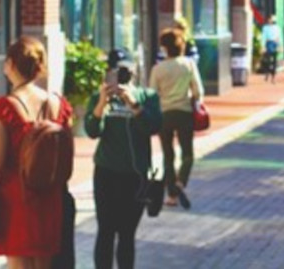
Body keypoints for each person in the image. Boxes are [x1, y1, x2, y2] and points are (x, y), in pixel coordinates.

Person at [0, 36, 74, 268]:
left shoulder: (3, 108)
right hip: (51, 198)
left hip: (17, 200)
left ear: (10, 64)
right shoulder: (59, 104)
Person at [85, 49, 162, 269]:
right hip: (106, 172)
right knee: (106, 230)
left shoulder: (147, 97)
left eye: (126, 70)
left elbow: (154, 126)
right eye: (116, 70)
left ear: (135, 71)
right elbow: (92, 130)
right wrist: (102, 103)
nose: (121, 75)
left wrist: (134, 105)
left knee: (127, 233)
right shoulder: (99, 98)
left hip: (135, 174)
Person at [149, 28, 204, 209]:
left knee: (168, 155)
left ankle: (171, 195)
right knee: (187, 153)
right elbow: (198, 91)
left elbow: (152, 94)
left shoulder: (157, 69)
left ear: (164, 47)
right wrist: (196, 101)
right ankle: (181, 182)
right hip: (184, 112)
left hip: (164, 114)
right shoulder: (188, 64)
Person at [261, 15, 282, 83]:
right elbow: (263, 37)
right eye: (269, 19)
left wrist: (280, 46)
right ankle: (267, 73)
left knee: (274, 61)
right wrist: (263, 46)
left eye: (271, 20)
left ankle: (273, 76)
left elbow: (279, 37)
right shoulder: (265, 28)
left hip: (274, 44)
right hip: (268, 44)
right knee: (268, 60)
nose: (270, 21)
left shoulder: (277, 28)